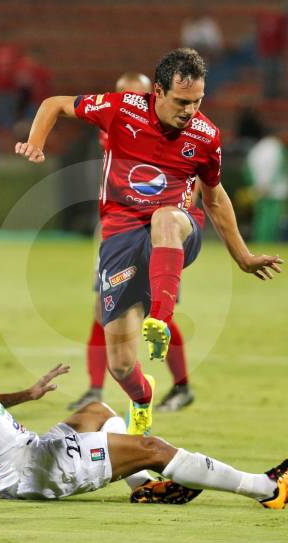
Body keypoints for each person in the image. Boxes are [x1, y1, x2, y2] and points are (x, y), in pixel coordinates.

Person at [15, 48, 284, 436]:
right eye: (181, 101)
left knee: (164, 218)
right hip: (120, 236)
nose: (190, 111)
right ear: (157, 91)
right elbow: (55, 104)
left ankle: (160, 316)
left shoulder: (206, 136)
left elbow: (214, 196)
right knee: (121, 364)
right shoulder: (121, 108)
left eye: (197, 102)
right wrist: (36, 142)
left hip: (176, 228)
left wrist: (241, 255)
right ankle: (142, 399)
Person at [0, 298, 288, 508]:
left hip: (21, 454)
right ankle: (266, 488)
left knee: (96, 411)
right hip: (29, 469)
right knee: (151, 448)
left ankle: (145, 489)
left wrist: (26, 395)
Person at [68, 71, 196, 414]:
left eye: (137, 95)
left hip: (154, 230)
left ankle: (181, 386)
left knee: (157, 311)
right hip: (116, 228)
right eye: (123, 94)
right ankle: (96, 389)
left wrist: (179, 218)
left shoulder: (168, 129)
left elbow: (190, 176)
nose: (130, 101)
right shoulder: (116, 122)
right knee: (103, 307)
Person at [245, 127, 288, 243]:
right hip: (276, 191)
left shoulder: (256, 149)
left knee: (261, 217)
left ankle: (259, 240)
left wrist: (255, 185)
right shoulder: (278, 148)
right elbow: (281, 168)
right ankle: (269, 241)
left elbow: (247, 168)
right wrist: (269, 185)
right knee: (273, 219)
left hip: (259, 188)